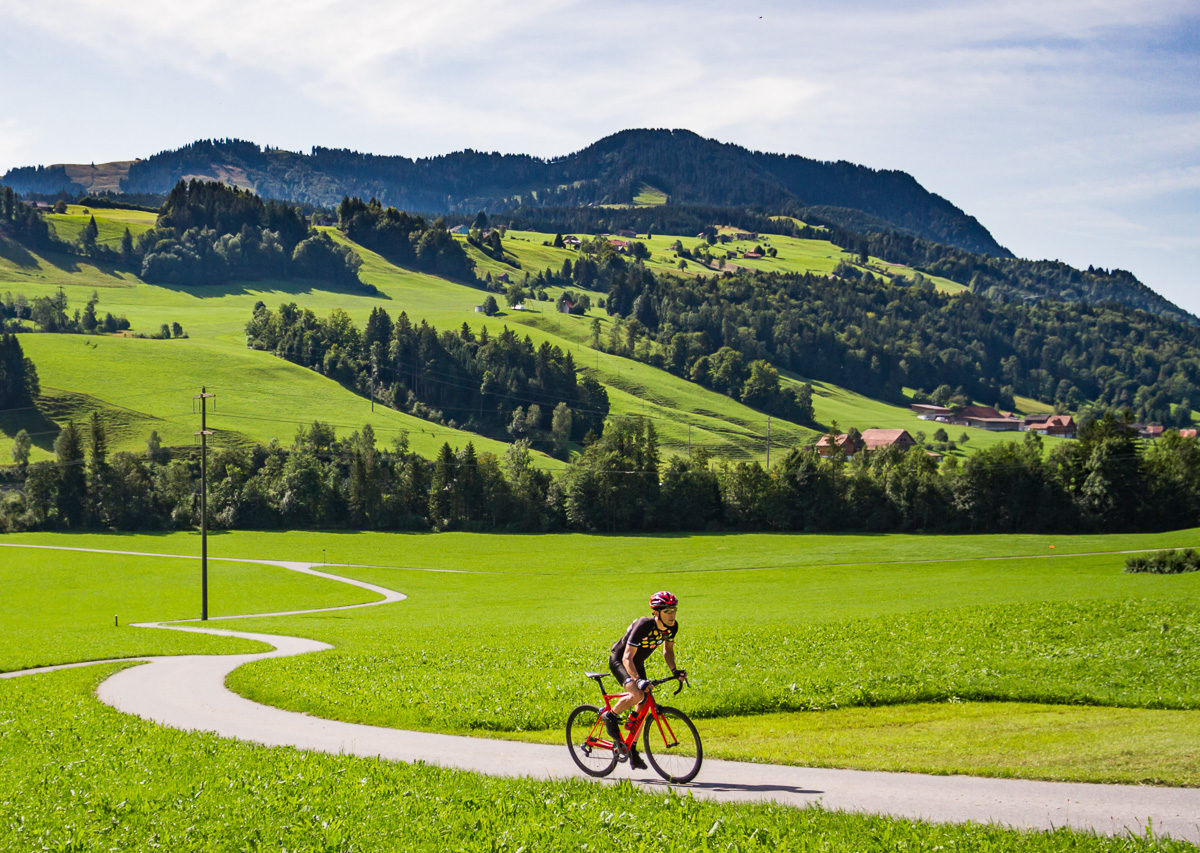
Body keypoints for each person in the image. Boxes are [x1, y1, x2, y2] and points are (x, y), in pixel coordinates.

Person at [602, 590, 687, 770]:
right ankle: (610, 715)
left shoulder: (673, 627)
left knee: (644, 702)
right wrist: (638, 680)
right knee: (638, 693)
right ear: (656, 612)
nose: (672, 616)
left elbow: (668, 651)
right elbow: (626, 658)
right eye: (667, 611)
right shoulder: (643, 625)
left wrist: (675, 670)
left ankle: (631, 748)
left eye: (674, 611)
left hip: (637, 662)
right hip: (621, 660)